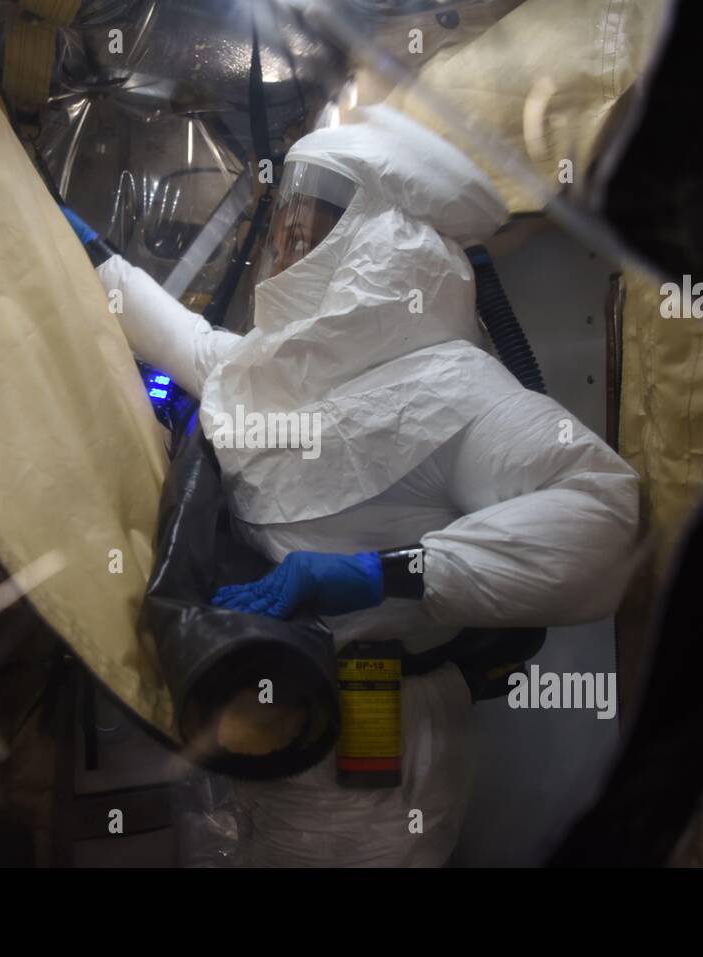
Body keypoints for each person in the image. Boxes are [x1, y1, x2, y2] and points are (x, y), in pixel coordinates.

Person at [77, 104, 640, 866]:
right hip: (262, 715)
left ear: (376, 238)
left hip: (382, 750)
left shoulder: (460, 388)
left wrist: (386, 573)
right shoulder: (267, 372)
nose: (288, 244)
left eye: (311, 223)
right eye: (287, 222)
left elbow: (607, 515)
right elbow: (180, 336)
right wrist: (78, 244)